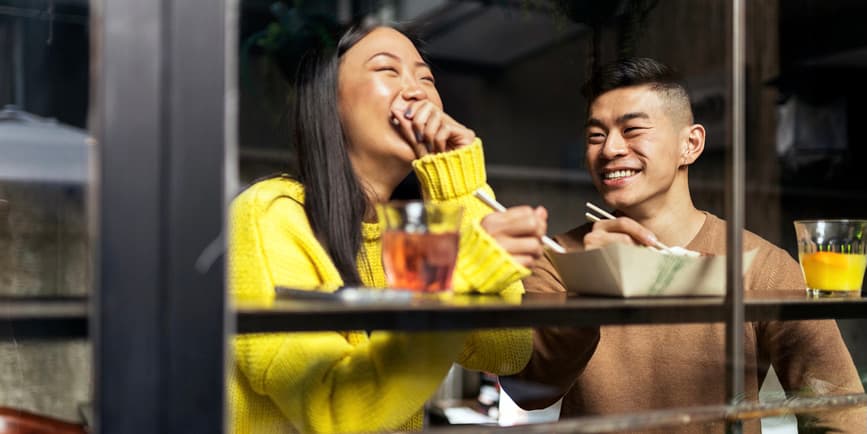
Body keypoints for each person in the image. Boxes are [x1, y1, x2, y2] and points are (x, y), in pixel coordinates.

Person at [500, 57, 865, 433]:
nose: (609, 149)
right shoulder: (554, 259)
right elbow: (526, 391)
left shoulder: (761, 265)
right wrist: (592, 285)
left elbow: (840, 413)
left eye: (632, 130)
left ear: (690, 144)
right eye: (595, 135)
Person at [228, 23, 549, 433]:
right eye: (387, 71)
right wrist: (470, 266)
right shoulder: (272, 214)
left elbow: (504, 350)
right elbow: (335, 411)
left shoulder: (411, 233)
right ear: (331, 102)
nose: (417, 91)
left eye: (425, 77)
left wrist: (457, 182)